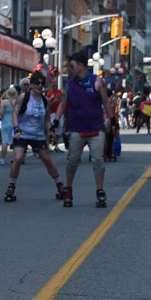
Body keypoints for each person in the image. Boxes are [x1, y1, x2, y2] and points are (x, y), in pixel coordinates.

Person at [55, 58, 114, 208]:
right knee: (73, 160)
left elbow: (106, 102)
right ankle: (68, 189)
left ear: (81, 66)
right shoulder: (70, 85)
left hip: (95, 127)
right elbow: (63, 104)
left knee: (98, 160)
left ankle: (100, 190)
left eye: (72, 66)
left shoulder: (97, 82)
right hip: (76, 128)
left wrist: (113, 120)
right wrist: (56, 122)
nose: (70, 69)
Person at [5, 73, 65, 203]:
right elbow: (15, 113)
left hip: (37, 135)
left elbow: (47, 119)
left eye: (42, 83)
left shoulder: (45, 101)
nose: (39, 85)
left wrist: (50, 131)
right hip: (22, 133)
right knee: (18, 158)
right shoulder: (23, 97)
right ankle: (11, 186)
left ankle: (60, 185)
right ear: (31, 84)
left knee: (47, 159)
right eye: (37, 83)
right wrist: (16, 128)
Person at [0, 86, 17, 165]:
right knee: (15, 142)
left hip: (5, 123)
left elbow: (1, 113)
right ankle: (16, 158)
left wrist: (1, 114)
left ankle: (3, 159)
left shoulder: (4, 102)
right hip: (14, 123)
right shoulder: (17, 102)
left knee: (5, 142)